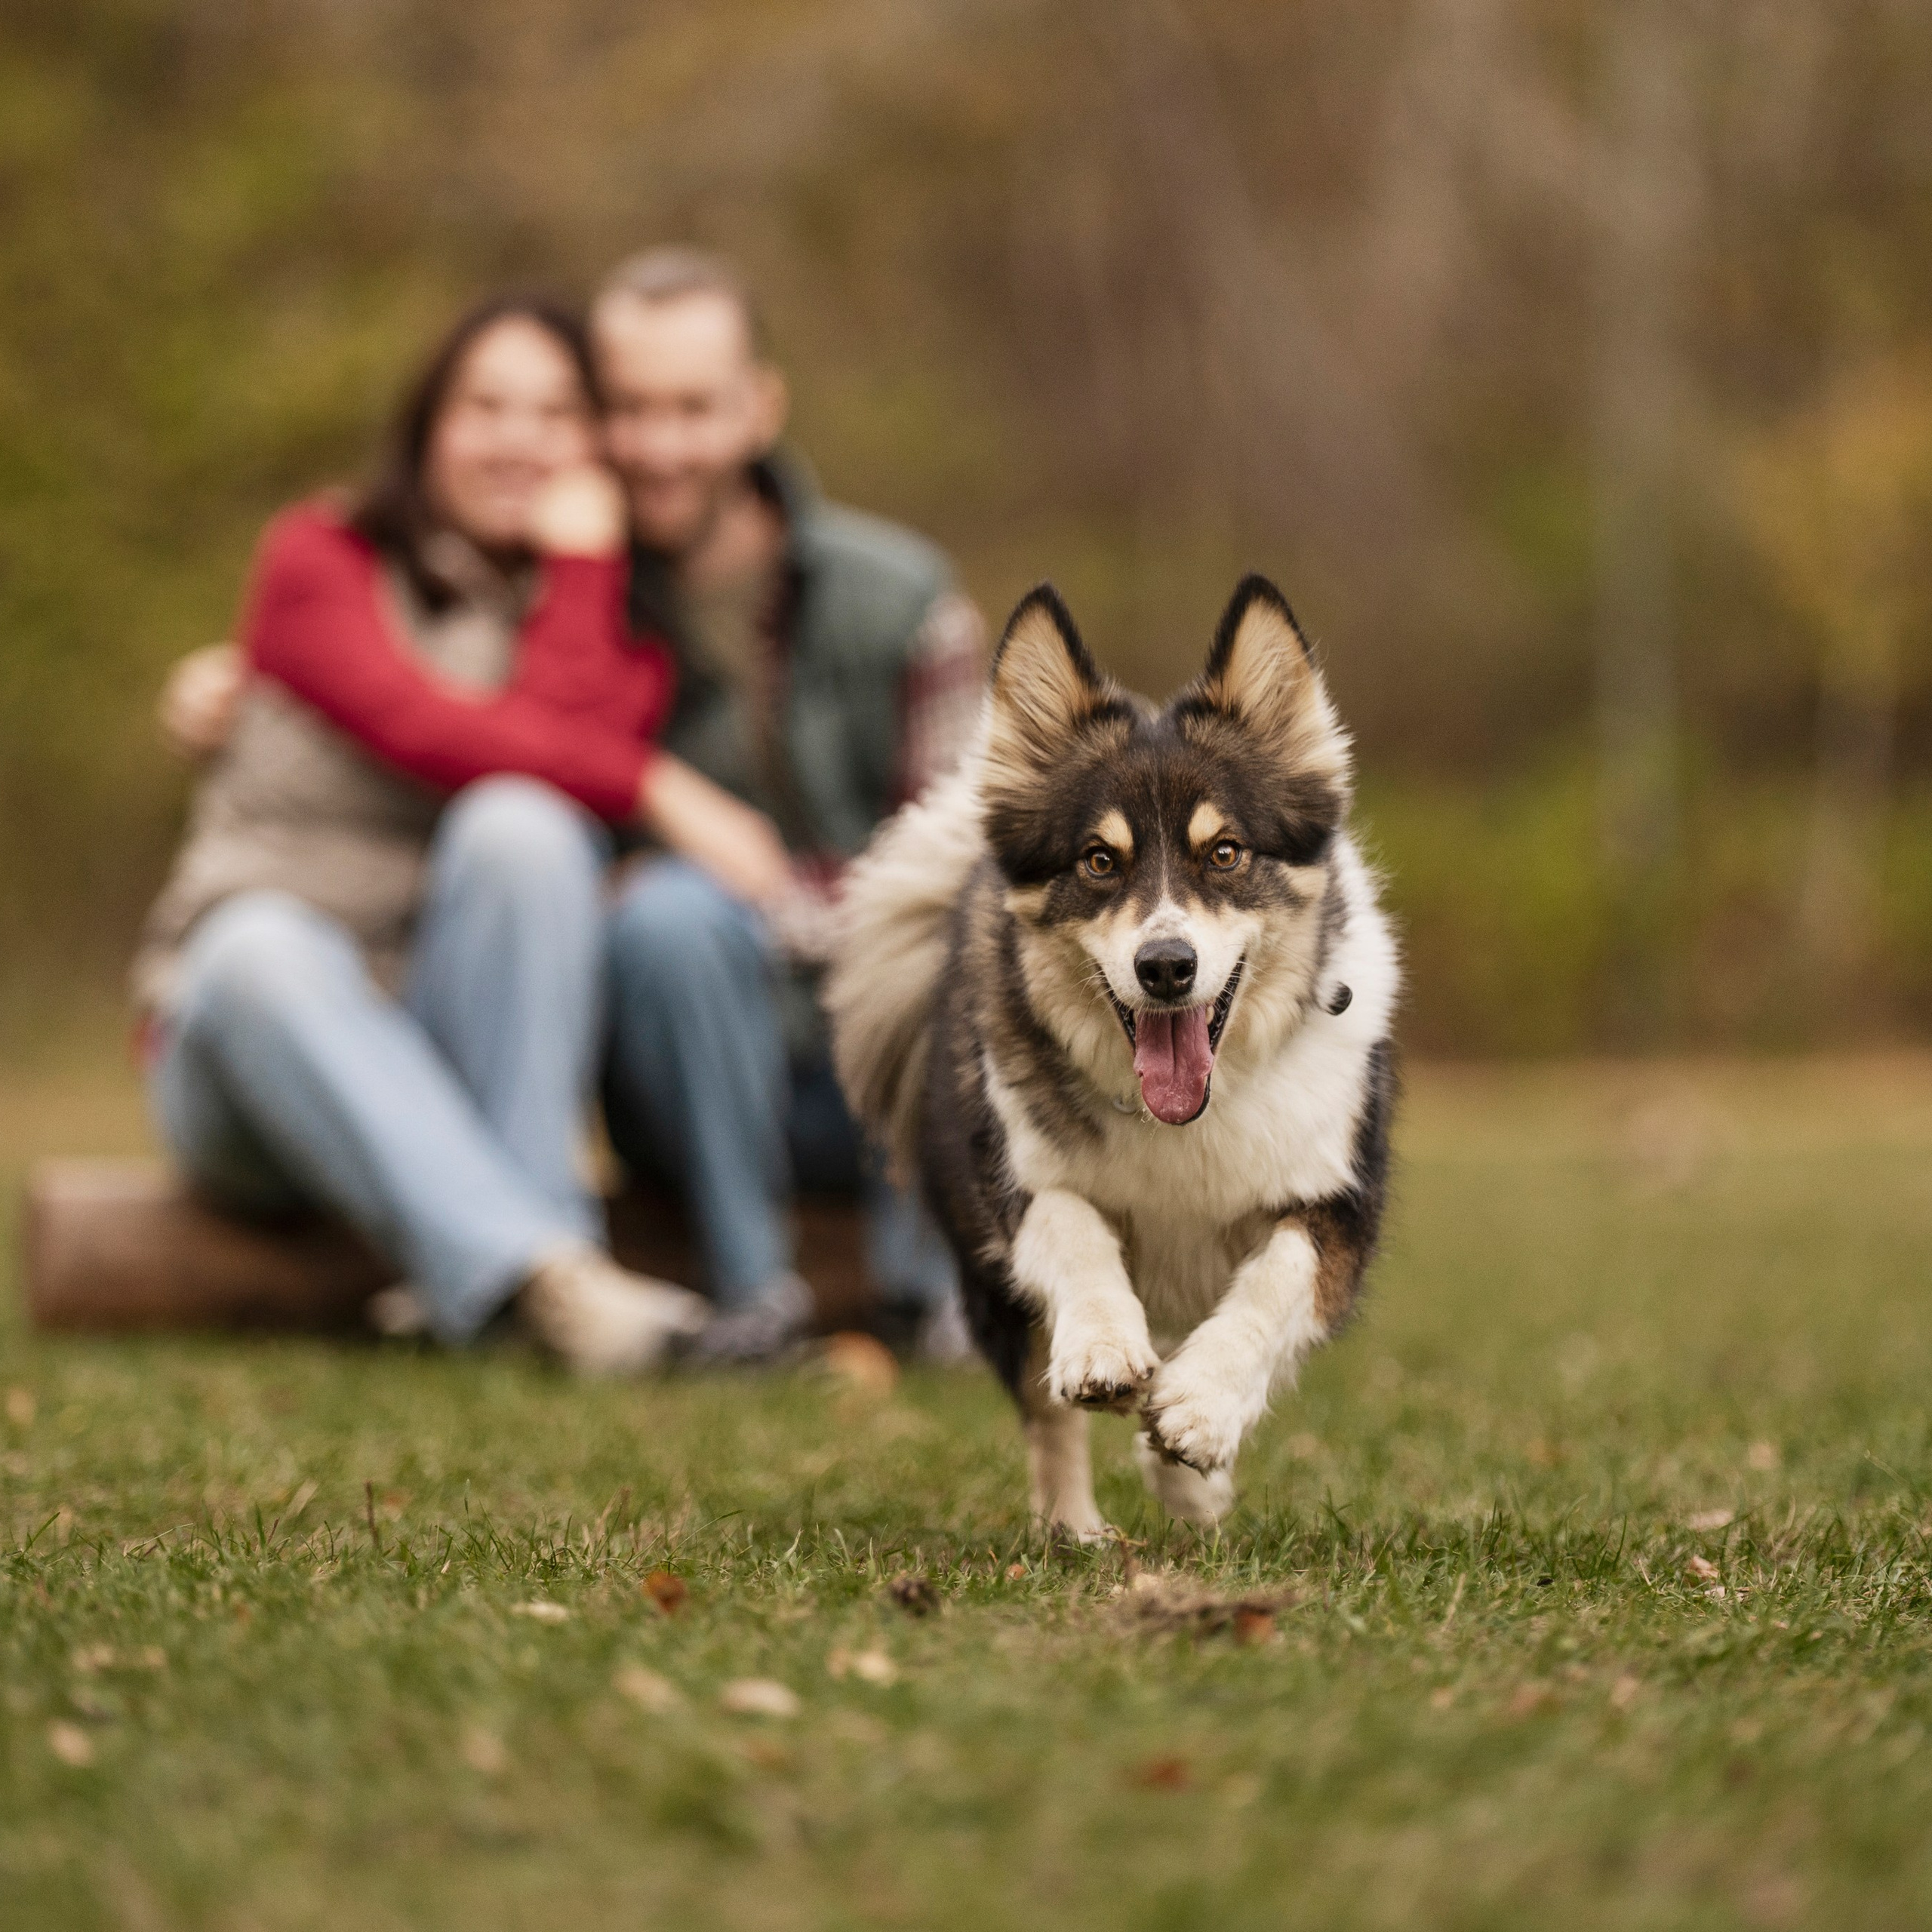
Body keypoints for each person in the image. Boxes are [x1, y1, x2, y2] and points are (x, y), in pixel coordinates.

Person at [136, 294, 789, 1374]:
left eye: (555, 412)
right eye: (484, 405)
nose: (517, 439)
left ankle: (545, 1285)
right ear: (430, 425)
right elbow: (423, 724)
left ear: (595, 449)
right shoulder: (321, 555)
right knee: (262, 946)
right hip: (248, 1053)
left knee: (529, 826)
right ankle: (548, 1274)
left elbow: (551, 750)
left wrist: (579, 571)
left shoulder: (621, 627)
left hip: (441, 1053)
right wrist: (655, 781)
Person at [591, 249, 983, 1364]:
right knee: (664, 921)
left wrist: (773, 902)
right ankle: (753, 1295)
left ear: (760, 408)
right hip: (694, 1068)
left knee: (965, 924)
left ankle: (940, 1292)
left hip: (895, 1077)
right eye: (629, 409)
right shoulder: (570, 605)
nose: (659, 446)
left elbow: (967, 861)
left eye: (691, 409)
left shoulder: (902, 595)